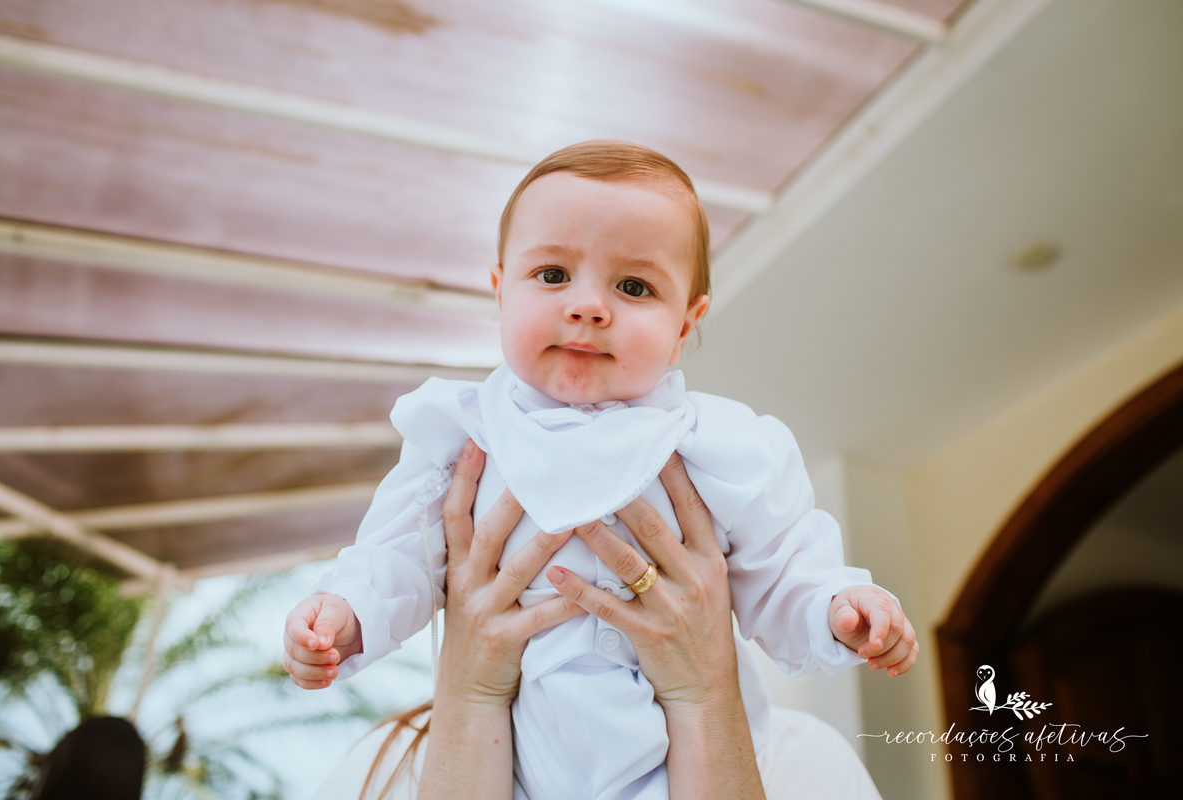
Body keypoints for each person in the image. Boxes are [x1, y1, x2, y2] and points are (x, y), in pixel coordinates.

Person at [283, 141, 917, 800]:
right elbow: (396, 555)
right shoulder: (461, 434)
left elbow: (783, 566)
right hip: (514, 759)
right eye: (553, 275)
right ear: (501, 290)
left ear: (686, 322)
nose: (588, 306)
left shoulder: (720, 447)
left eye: (634, 286)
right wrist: (345, 611)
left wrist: (836, 607)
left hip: (685, 765)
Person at [302, 443, 882, 799]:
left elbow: (783, 553)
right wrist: (464, 690)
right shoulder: (384, 766)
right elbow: (395, 550)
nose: (588, 307)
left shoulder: (802, 761)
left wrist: (708, 696)